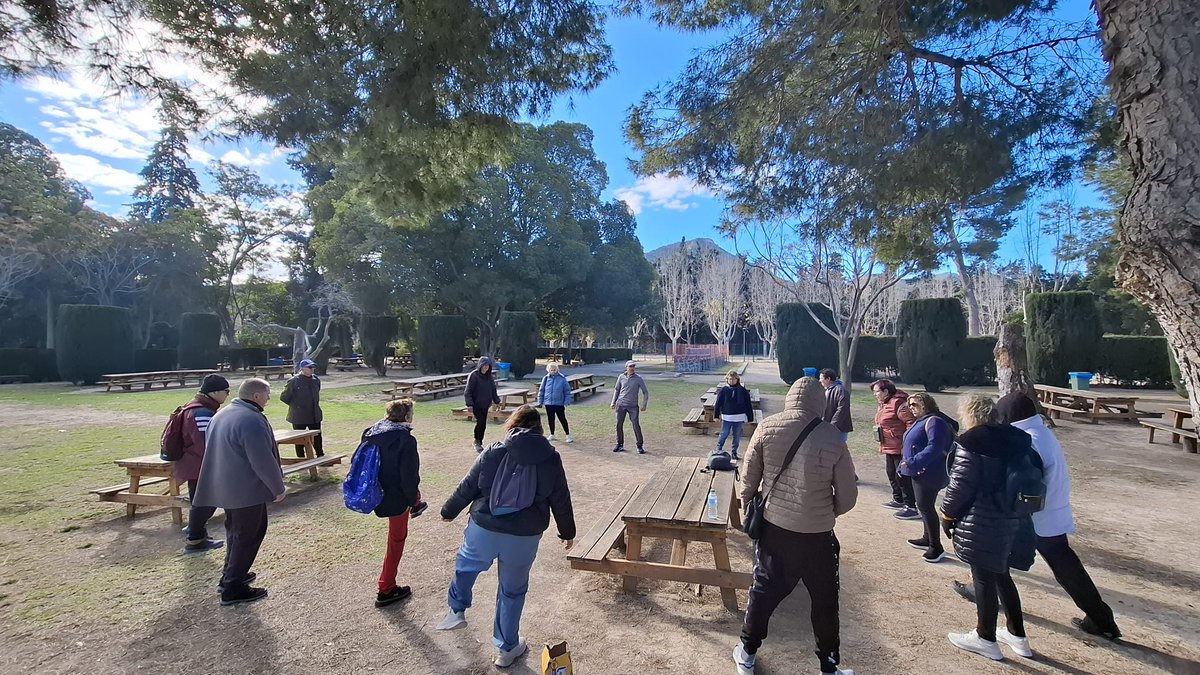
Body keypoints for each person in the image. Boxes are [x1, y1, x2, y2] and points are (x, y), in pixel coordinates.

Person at [435, 405, 576, 669]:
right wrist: (567, 532)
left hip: (485, 526)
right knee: (512, 591)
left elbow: (468, 485)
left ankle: (457, 608)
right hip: (524, 534)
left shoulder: (494, 450)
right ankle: (506, 648)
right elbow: (560, 498)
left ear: (513, 424)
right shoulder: (550, 457)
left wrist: (448, 511)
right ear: (539, 429)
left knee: (466, 565)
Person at [735, 377, 858, 675]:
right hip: (818, 534)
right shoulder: (833, 438)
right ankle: (828, 664)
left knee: (763, 591)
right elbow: (848, 495)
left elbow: (749, 477)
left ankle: (748, 653)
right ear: (820, 402)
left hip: (775, 526)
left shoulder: (768, 427)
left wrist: (747, 505)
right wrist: (828, 512)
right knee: (825, 598)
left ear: (790, 398)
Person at [993, 392, 1121, 640]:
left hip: (1036, 517)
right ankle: (1101, 619)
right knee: (1066, 566)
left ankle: (982, 592)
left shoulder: (1026, 440)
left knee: (991, 555)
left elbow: (1022, 483)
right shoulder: (1040, 432)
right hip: (1053, 512)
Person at [941, 394, 1040, 661]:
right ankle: (1017, 635)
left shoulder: (973, 441)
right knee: (1001, 575)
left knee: (984, 578)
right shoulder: (1018, 439)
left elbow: (960, 485)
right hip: (1011, 517)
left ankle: (985, 638)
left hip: (981, 519)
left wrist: (947, 515)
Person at [192, 378, 286, 606]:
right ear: (256, 396)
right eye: (267, 394)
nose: (268, 398)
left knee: (235, 533)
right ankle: (233, 587)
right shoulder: (250, 419)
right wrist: (278, 487)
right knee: (249, 535)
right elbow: (262, 459)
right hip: (246, 489)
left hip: (226, 487)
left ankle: (230, 575)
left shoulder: (222, 414)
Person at [365, 398, 427, 608]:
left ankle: (387, 584)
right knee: (396, 542)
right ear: (407, 416)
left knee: (394, 541)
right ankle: (386, 587)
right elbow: (409, 477)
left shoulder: (372, 433)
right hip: (397, 499)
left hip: (376, 492)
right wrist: (413, 502)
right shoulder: (405, 440)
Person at [897, 392, 959, 563]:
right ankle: (927, 538)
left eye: (915, 404)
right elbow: (911, 445)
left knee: (926, 507)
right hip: (918, 470)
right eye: (909, 405)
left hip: (929, 472)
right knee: (924, 506)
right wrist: (903, 465)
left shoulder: (935, 421)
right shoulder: (922, 420)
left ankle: (936, 547)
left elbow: (935, 447)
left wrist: (912, 463)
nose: (911, 408)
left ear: (926, 404)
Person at [175, 374, 231, 553]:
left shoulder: (200, 408)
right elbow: (206, 444)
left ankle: (196, 531)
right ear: (214, 392)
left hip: (197, 464)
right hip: (200, 465)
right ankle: (194, 538)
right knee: (206, 501)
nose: (227, 395)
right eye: (226, 391)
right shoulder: (201, 412)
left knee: (202, 500)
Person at [872, 379, 918, 519]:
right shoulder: (884, 403)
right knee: (891, 473)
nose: (875, 395)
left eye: (876, 392)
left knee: (902, 476)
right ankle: (898, 499)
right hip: (888, 444)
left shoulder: (898, 403)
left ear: (886, 391)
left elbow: (911, 422)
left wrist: (907, 442)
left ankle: (911, 506)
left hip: (900, 446)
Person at [280, 358, 324, 458]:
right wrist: (297, 406)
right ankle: (301, 458)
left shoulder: (315, 379)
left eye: (313, 367)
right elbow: (284, 397)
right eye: (309, 367)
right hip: (299, 416)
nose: (312, 369)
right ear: (303, 368)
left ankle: (320, 456)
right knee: (299, 439)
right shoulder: (294, 381)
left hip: (314, 414)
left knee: (317, 437)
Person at [610, 360, 649, 454]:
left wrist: (644, 405)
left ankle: (639, 446)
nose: (632, 368)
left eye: (633, 366)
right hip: (621, 405)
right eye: (630, 366)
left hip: (633, 406)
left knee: (636, 425)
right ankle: (620, 444)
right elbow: (617, 389)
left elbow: (645, 392)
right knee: (619, 425)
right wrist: (613, 402)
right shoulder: (621, 377)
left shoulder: (638, 378)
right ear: (626, 367)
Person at [714, 369, 754, 460]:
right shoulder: (724, 390)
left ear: (737, 379)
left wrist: (750, 417)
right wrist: (716, 415)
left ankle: (734, 452)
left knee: (736, 436)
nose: (732, 381)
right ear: (727, 379)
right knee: (724, 434)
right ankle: (718, 450)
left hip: (739, 417)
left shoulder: (743, 391)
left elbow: (748, 404)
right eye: (730, 379)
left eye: (733, 379)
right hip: (727, 416)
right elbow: (718, 403)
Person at [465, 356, 501, 453]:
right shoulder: (474, 375)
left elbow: (493, 390)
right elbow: (468, 391)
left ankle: (479, 441)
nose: (486, 367)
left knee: (483, 424)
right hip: (476, 404)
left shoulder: (489, 377)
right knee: (480, 422)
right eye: (484, 365)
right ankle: (477, 441)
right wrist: (469, 404)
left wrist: (497, 401)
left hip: (485, 404)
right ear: (480, 365)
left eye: (488, 365)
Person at [536, 362, 573, 443]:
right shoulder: (545, 378)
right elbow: (541, 390)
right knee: (550, 419)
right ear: (548, 370)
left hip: (559, 403)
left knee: (562, 419)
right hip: (548, 403)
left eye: (554, 370)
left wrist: (567, 401)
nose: (553, 371)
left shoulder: (562, 378)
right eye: (551, 370)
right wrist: (540, 401)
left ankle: (568, 435)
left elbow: (567, 390)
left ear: (557, 370)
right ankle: (552, 434)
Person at [819, 368, 853, 441]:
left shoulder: (841, 390)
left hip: (839, 428)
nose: (820, 381)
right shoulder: (826, 390)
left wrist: (832, 426)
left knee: (838, 449)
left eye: (821, 378)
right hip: (828, 427)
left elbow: (842, 409)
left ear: (828, 379)